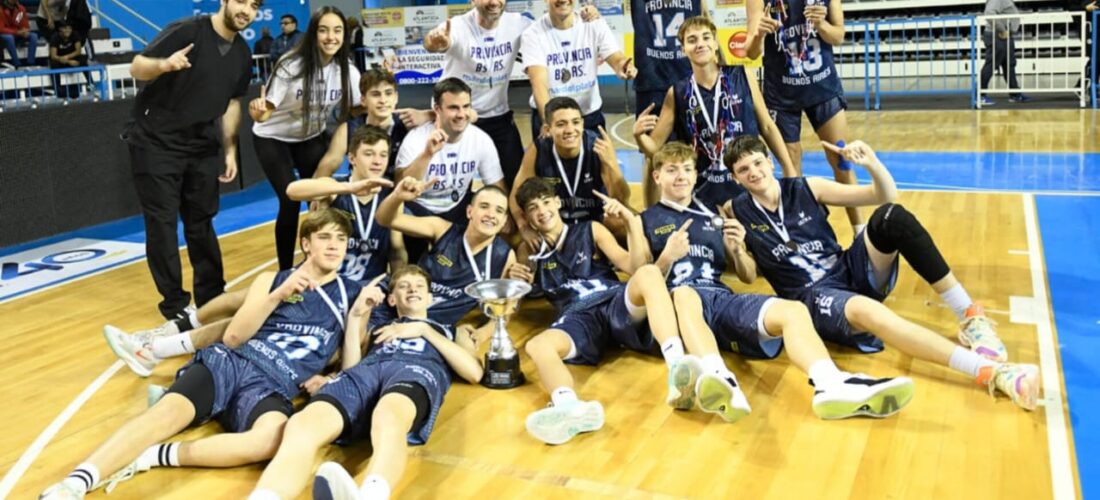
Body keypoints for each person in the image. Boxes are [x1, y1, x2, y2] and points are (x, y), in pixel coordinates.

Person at [39, 209, 374, 500]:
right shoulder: (272, 280)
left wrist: (349, 337)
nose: (334, 246)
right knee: (164, 417)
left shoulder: (353, 294)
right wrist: (277, 296)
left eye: (341, 240)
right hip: (231, 362)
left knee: (270, 441)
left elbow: (349, 365)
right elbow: (233, 335)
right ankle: (73, 484)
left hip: (275, 384)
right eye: (325, 238)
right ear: (306, 244)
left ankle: (153, 455)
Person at [724, 135, 1040, 411]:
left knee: (891, 217)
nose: (753, 172)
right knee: (868, 311)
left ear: (769, 161)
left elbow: (883, 195)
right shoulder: (736, 210)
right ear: (735, 177)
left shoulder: (807, 187)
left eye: (757, 163)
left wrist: (872, 163)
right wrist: (737, 251)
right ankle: (992, 372)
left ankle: (970, 316)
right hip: (811, 297)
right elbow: (748, 276)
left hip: (847, 268)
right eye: (743, 170)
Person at [640, 142, 915, 420]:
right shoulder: (644, 220)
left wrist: (737, 249)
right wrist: (666, 258)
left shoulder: (716, 215)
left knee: (793, 310)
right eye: (672, 170)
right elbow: (643, 281)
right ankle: (719, 377)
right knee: (686, 294)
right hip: (680, 306)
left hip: (721, 299)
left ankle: (830, 384)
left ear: (696, 174)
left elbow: (747, 276)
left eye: (687, 169)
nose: (681, 176)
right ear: (657, 176)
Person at [102, 126, 397, 379]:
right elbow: (293, 190)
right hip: (316, 278)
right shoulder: (337, 188)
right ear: (352, 158)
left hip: (350, 292)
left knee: (251, 319)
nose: (377, 161)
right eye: (369, 153)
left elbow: (398, 251)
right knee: (242, 298)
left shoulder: (390, 199)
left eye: (382, 155)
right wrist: (351, 188)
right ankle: (169, 331)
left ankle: (158, 352)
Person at [514, 177, 750, 445]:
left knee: (648, 273)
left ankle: (677, 369)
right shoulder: (527, 250)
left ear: (557, 203)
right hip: (578, 315)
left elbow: (632, 266)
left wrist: (630, 223)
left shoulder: (590, 230)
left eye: (546, 202)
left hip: (613, 300)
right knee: (537, 346)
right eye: (533, 207)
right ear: (527, 217)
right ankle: (569, 407)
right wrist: (514, 281)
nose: (542, 211)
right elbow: (516, 298)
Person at [247, 266, 483, 500]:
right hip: (365, 373)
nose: (412, 289)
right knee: (302, 424)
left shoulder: (451, 331)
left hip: (414, 371)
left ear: (430, 298)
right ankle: (266, 496)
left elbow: (474, 372)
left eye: (419, 286)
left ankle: (372, 494)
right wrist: (356, 316)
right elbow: (351, 367)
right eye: (404, 286)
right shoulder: (378, 329)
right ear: (391, 299)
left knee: (388, 416)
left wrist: (423, 330)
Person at [122, 0, 259, 321]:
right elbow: (136, 66)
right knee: (162, 224)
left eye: (254, 6)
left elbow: (232, 104)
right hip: (155, 142)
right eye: (241, 2)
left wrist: (229, 149)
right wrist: (164, 66)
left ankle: (211, 296)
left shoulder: (242, 53)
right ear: (224, 1)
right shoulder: (188, 30)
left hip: (201, 145)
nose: (247, 11)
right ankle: (174, 305)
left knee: (202, 222)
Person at [633, 16, 793, 209]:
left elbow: (767, 126)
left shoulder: (742, 75)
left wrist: (788, 167)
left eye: (706, 37)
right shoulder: (677, 92)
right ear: (683, 49)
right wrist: (639, 135)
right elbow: (654, 149)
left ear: (715, 43)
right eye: (692, 40)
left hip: (747, 182)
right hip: (703, 191)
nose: (700, 44)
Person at [250, 5, 361, 271]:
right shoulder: (291, 65)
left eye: (337, 31)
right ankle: (285, 272)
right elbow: (267, 111)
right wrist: (258, 113)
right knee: (290, 201)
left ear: (345, 35)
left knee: (324, 197)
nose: (330, 37)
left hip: (311, 137)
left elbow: (357, 108)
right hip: (272, 137)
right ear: (313, 34)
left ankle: (326, 262)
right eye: (323, 31)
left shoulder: (347, 71)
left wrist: (380, 91)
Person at [745, 0, 865, 232]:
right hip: (782, 94)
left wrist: (821, 25)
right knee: (792, 169)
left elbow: (838, 36)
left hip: (822, 87)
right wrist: (759, 34)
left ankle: (860, 231)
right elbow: (751, 52)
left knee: (841, 159)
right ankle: (804, 233)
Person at [374, 177, 523, 333]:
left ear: (504, 220)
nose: (491, 214)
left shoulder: (504, 255)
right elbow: (385, 220)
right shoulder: (441, 229)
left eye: (499, 210)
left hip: (436, 326)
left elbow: (506, 308)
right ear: (469, 211)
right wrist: (397, 197)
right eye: (484, 206)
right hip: (396, 303)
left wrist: (482, 334)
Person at [393, 77, 504, 263]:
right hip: (420, 207)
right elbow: (400, 185)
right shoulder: (416, 139)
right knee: (413, 255)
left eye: (466, 106)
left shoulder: (481, 139)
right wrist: (427, 154)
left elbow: (497, 187)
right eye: (453, 108)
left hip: (457, 207)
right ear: (437, 109)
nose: (461, 114)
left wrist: (500, 218)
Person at [511, 96, 631, 247]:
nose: (570, 130)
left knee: (626, 223)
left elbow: (622, 199)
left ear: (582, 124)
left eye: (575, 122)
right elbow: (516, 194)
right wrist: (524, 226)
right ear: (548, 129)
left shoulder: (597, 146)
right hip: (554, 222)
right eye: (561, 124)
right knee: (518, 242)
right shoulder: (538, 149)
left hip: (595, 220)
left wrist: (612, 164)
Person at [521, 0, 637, 139]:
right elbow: (539, 84)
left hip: (588, 116)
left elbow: (616, 58)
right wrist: (548, 123)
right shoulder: (532, 34)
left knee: (598, 160)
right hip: (552, 117)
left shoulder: (594, 23)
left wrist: (624, 66)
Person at [978, 0, 1031, 105]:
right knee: (991, 65)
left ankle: (1015, 94)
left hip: (1004, 35)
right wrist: (1002, 30)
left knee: (1009, 65)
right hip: (998, 35)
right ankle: (979, 95)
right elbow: (989, 13)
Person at [47, 21, 92, 98]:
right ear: (60, 29)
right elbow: (53, 55)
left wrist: (67, 57)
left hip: (71, 57)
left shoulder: (75, 34)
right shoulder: (55, 37)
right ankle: (57, 88)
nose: (68, 30)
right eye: (65, 28)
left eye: (69, 28)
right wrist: (67, 61)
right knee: (53, 63)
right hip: (60, 59)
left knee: (83, 59)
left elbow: (78, 51)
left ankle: (90, 83)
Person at [0, 0, 39, 68]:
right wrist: (17, 32)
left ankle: (31, 63)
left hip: (17, 33)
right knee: (9, 38)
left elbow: (24, 25)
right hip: (4, 35)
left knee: (34, 36)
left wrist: (25, 31)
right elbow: (1, 29)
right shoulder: (1, 10)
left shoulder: (20, 9)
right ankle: (17, 64)